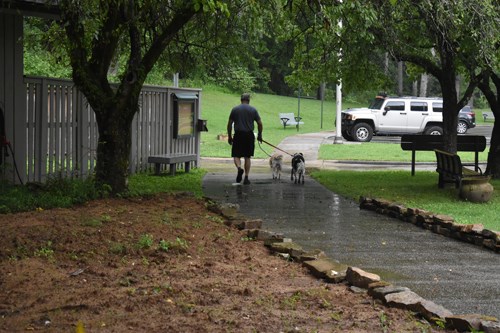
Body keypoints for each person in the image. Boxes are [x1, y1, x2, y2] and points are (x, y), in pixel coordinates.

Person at [227, 93, 263, 185]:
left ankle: (239, 168)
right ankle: (246, 177)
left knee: (236, 155)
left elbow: (229, 124)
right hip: (249, 135)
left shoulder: (235, 109)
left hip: (238, 134)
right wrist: (259, 135)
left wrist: (230, 136)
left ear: (241, 100)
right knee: (247, 156)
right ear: (249, 100)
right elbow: (260, 123)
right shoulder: (253, 110)